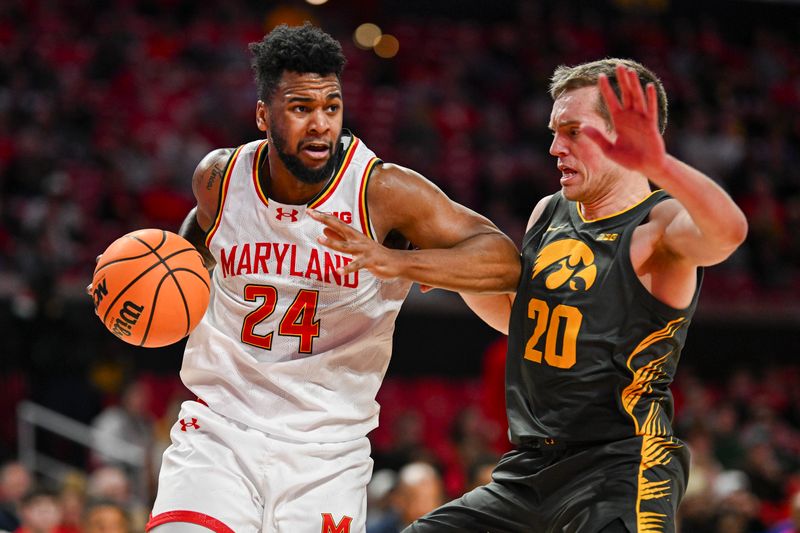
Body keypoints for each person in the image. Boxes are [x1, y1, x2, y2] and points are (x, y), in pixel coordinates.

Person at [122, 22, 519, 533]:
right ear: (263, 113)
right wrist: (148, 291)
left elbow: (503, 260)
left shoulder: (382, 192)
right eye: (301, 108)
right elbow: (188, 255)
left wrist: (397, 262)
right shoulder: (219, 179)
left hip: (328, 453)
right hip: (221, 433)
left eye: (331, 107)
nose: (320, 125)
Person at [394, 59, 747, 532]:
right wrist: (456, 275)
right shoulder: (549, 211)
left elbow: (729, 233)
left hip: (619, 468)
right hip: (530, 470)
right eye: (554, 131)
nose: (554, 147)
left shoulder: (658, 227)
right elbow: (523, 322)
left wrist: (661, 165)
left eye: (573, 131)